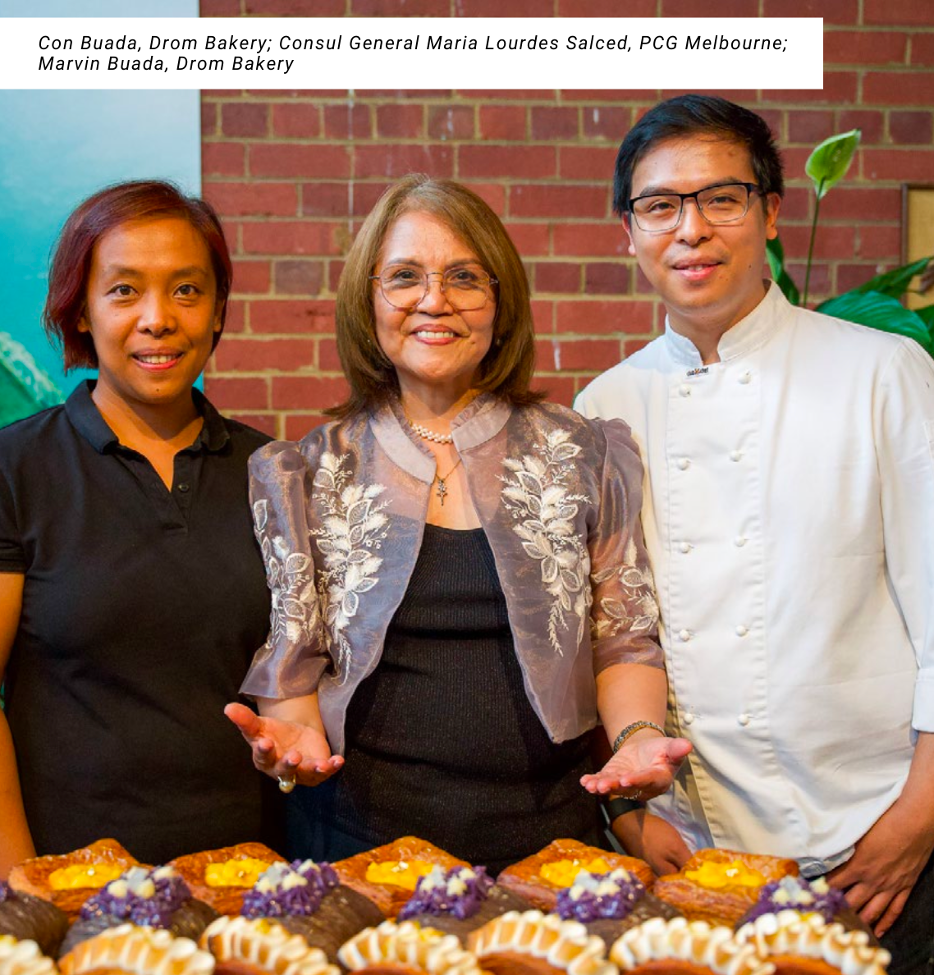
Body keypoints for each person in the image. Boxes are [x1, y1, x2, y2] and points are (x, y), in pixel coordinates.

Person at [225, 174, 692, 874]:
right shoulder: (308, 470)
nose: (433, 300)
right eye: (405, 276)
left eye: (464, 277)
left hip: (549, 848)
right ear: (369, 301)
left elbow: (621, 637)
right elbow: (296, 659)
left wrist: (637, 736)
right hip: (358, 853)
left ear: (500, 304)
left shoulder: (584, 453)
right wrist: (293, 744)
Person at [575, 95, 933, 974]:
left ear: (771, 213)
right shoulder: (601, 406)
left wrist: (919, 816)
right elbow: (605, 629)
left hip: (876, 845)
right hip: (697, 854)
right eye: (659, 206)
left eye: (719, 199)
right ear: (629, 231)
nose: (688, 229)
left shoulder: (880, 371)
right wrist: (629, 814)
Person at [0, 180, 277, 875]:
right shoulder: (15, 468)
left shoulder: (276, 470)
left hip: (257, 881)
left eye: (187, 290)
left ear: (217, 312)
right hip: (75, 886)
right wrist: (21, 884)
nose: (158, 318)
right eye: (124, 291)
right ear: (82, 311)